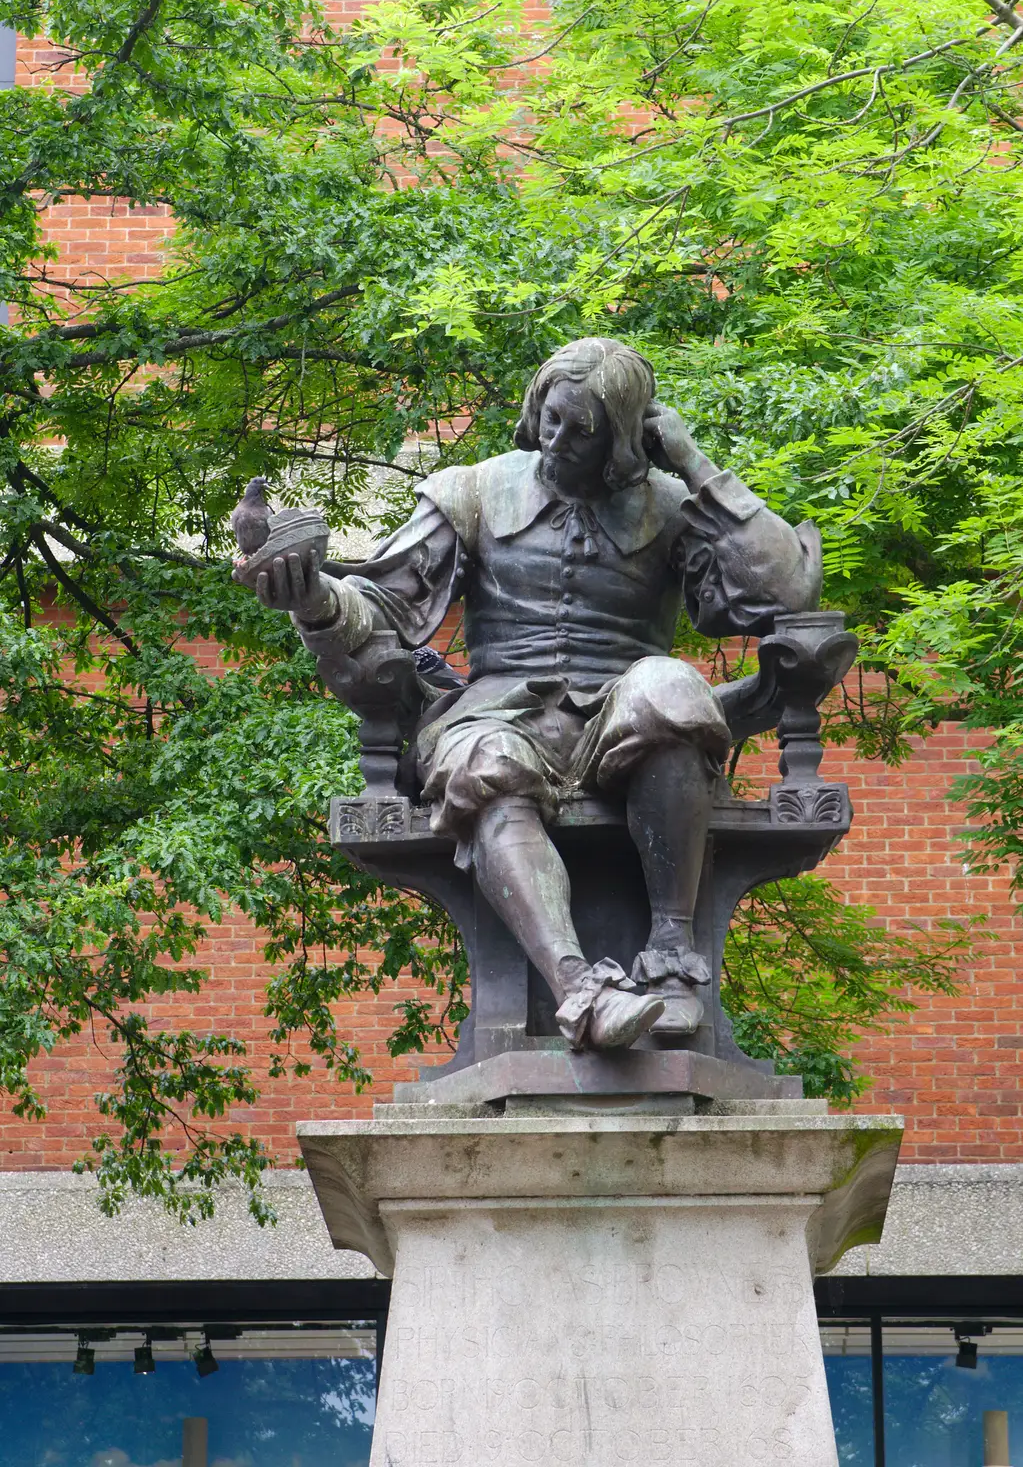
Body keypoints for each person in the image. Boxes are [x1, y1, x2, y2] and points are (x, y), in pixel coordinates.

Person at [251, 338, 821, 1052]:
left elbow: (787, 592)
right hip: (499, 712)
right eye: (550, 418)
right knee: (483, 760)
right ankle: (581, 990)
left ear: (621, 436)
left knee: (670, 685)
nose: (557, 440)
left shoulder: (672, 504)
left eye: (581, 430)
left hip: (625, 711)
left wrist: (693, 462)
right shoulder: (473, 490)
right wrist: (313, 600)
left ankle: (672, 961)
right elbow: (382, 600)